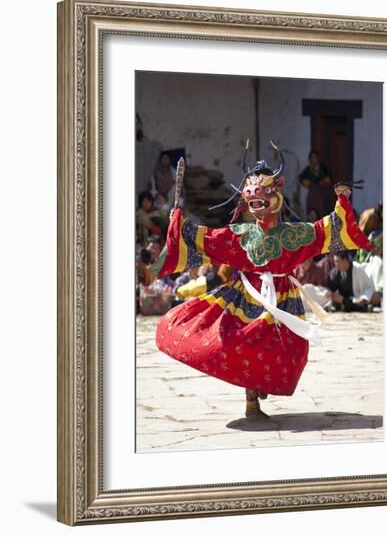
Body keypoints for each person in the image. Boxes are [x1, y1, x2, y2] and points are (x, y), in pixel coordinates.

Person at [150, 142, 374, 419]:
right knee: (242, 342)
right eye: (251, 195)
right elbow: (205, 241)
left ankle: (261, 386)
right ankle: (252, 402)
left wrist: (342, 201)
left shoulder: (294, 234)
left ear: (276, 195)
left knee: (290, 351)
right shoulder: (240, 234)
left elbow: (328, 231)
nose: (256, 201)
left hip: (283, 300)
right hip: (247, 296)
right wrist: (178, 225)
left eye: (263, 193)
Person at [299, 150, 333, 217]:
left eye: (315, 157)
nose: (313, 159)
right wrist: (310, 184)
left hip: (322, 194)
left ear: (318, 158)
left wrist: (322, 182)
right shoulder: (307, 170)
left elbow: (329, 178)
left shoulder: (323, 168)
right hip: (312, 194)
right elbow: (301, 180)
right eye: (312, 158)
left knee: (322, 213)